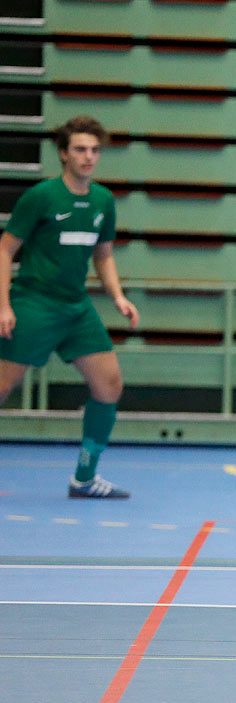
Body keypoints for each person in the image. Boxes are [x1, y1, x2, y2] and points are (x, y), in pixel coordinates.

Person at [0, 115, 139, 498]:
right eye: (80, 149)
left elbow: (103, 256)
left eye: (95, 150)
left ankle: (84, 478)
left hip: (76, 308)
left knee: (109, 385)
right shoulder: (41, 197)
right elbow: (5, 248)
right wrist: (3, 305)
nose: (89, 157)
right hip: (34, 304)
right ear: (64, 154)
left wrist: (117, 296)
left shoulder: (103, 201)